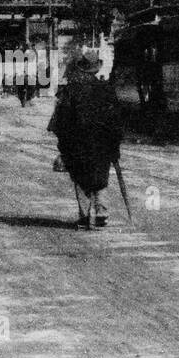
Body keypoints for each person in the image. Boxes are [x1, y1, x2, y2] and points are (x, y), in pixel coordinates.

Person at [48, 49, 122, 230]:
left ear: (81, 69)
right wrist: (115, 145)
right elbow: (117, 120)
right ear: (96, 69)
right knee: (101, 176)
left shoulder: (71, 90)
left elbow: (60, 121)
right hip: (102, 143)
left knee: (79, 176)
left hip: (78, 143)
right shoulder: (106, 89)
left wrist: (63, 145)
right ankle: (101, 213)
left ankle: (84, 215)